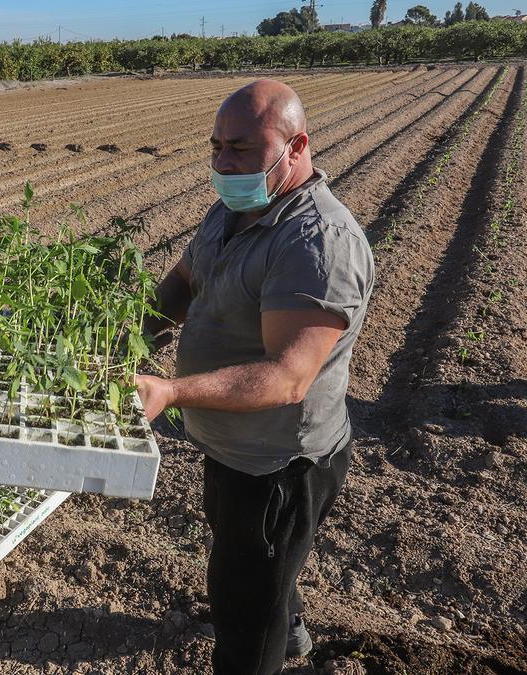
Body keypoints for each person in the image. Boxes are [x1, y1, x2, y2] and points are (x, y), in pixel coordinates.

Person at [135, 80, 374, 674]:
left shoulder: (319, 243)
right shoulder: (235, 208)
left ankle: (269, 639)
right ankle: (287, 621)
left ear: (296, 147)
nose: (222, 162)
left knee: (245, 612)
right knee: (251, 559)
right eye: (216, 146)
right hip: (229, 444)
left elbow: (288, 377)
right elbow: (185, 281)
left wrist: (170, 392)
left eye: (240, 148)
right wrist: (132, 336)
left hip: (278, 465)